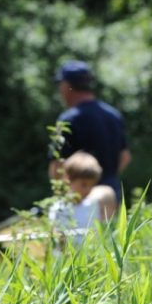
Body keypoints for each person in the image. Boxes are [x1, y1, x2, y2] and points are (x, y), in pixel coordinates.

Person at [48, 60, 131, 206]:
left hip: (79, 200)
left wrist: (68, 194)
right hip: (110, 196)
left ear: (67, 86)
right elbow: (125, 157)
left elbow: (57, 166)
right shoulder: (113, 115)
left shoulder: (68, 119)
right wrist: (104, 179)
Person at [48, 150, 117, 243]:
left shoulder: (94, 203)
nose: (88, 189)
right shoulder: (59, 208)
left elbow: (107, 192)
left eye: (92, 185)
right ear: (68, 179)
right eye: (84, 184)